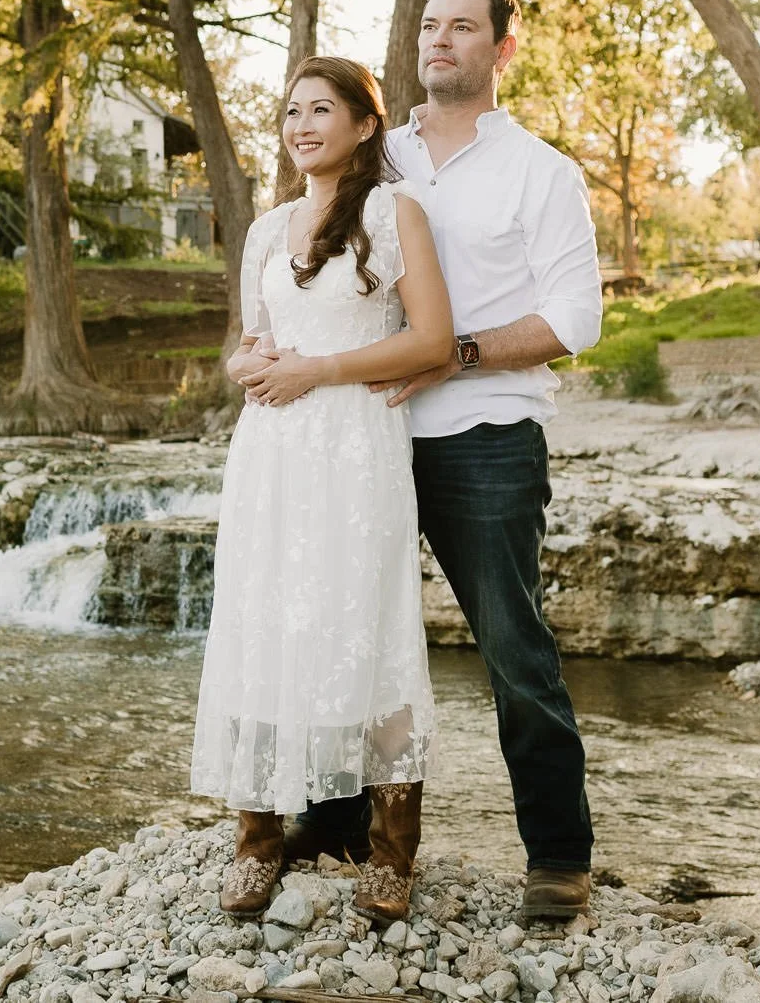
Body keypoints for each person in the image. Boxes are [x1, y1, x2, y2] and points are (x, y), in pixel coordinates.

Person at [281, 0, 605, 926]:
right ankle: (338, 820)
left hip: (485, 437)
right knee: (351, 629)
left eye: (464, 27)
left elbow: (575, 317)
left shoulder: (543, 173)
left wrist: (453, 355)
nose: (441, 40)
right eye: (429, 25)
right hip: (361, 436)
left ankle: (557, 854)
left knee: (514, 646)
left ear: (502, 49)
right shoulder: (374, 161)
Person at [190, 55, 455, 925]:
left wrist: (318, 370)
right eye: (292, 111)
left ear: (365, 124)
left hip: (354, 447)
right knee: (265, 623)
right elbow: (250, 342)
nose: (303, 125)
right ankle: (258, 838)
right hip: (271, 455)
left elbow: (434, 341)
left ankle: (390, 854)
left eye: (322, 110)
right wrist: (249, 363)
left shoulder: (392, 211)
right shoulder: (268, 231)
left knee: (368, 626)